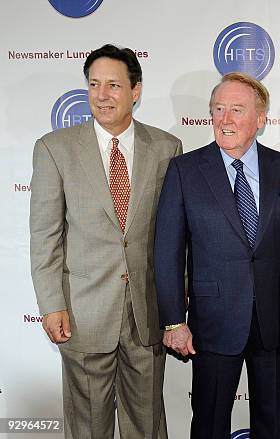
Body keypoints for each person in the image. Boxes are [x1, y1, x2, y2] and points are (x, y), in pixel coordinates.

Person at [30, 44, 182, 438]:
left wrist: (175, 310)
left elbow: (175, 238)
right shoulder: (54, 149)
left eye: (114, 85)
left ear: (136, 91)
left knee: (146, 426)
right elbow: (45, 237)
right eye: (94, 84)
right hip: (83, 314)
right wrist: (51, 305)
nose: (102, 94)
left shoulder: (167, 148)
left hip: (146, 314)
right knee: (88, 428)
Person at [154, 72, 280, 439]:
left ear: (260, 119)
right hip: (213, 322)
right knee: (209, 422)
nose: (225, 119)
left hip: (273, 320)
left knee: (270, 422)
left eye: (236, 110)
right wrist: (174, 320)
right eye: (218, 109)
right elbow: (167, 250)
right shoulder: (185, 170)